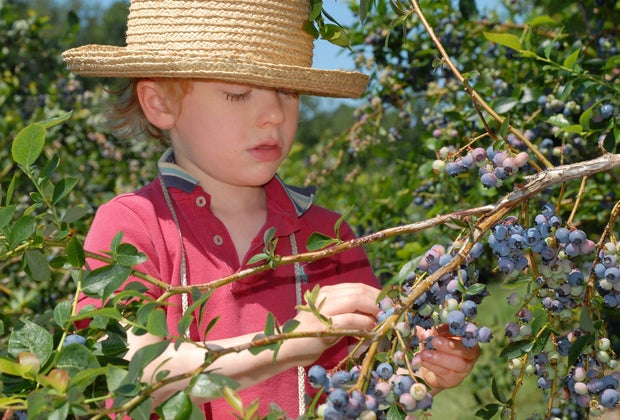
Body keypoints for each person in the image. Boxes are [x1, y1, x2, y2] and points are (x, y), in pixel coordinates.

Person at [62, 0, 480, 418]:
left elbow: (356, 386)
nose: (274, 114)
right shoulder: (132, 225)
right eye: (238, 93)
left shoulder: (328, 236)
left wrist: (420, 370)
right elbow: (124, 373)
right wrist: (283, 344)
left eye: (288, 91)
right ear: (160, 104)